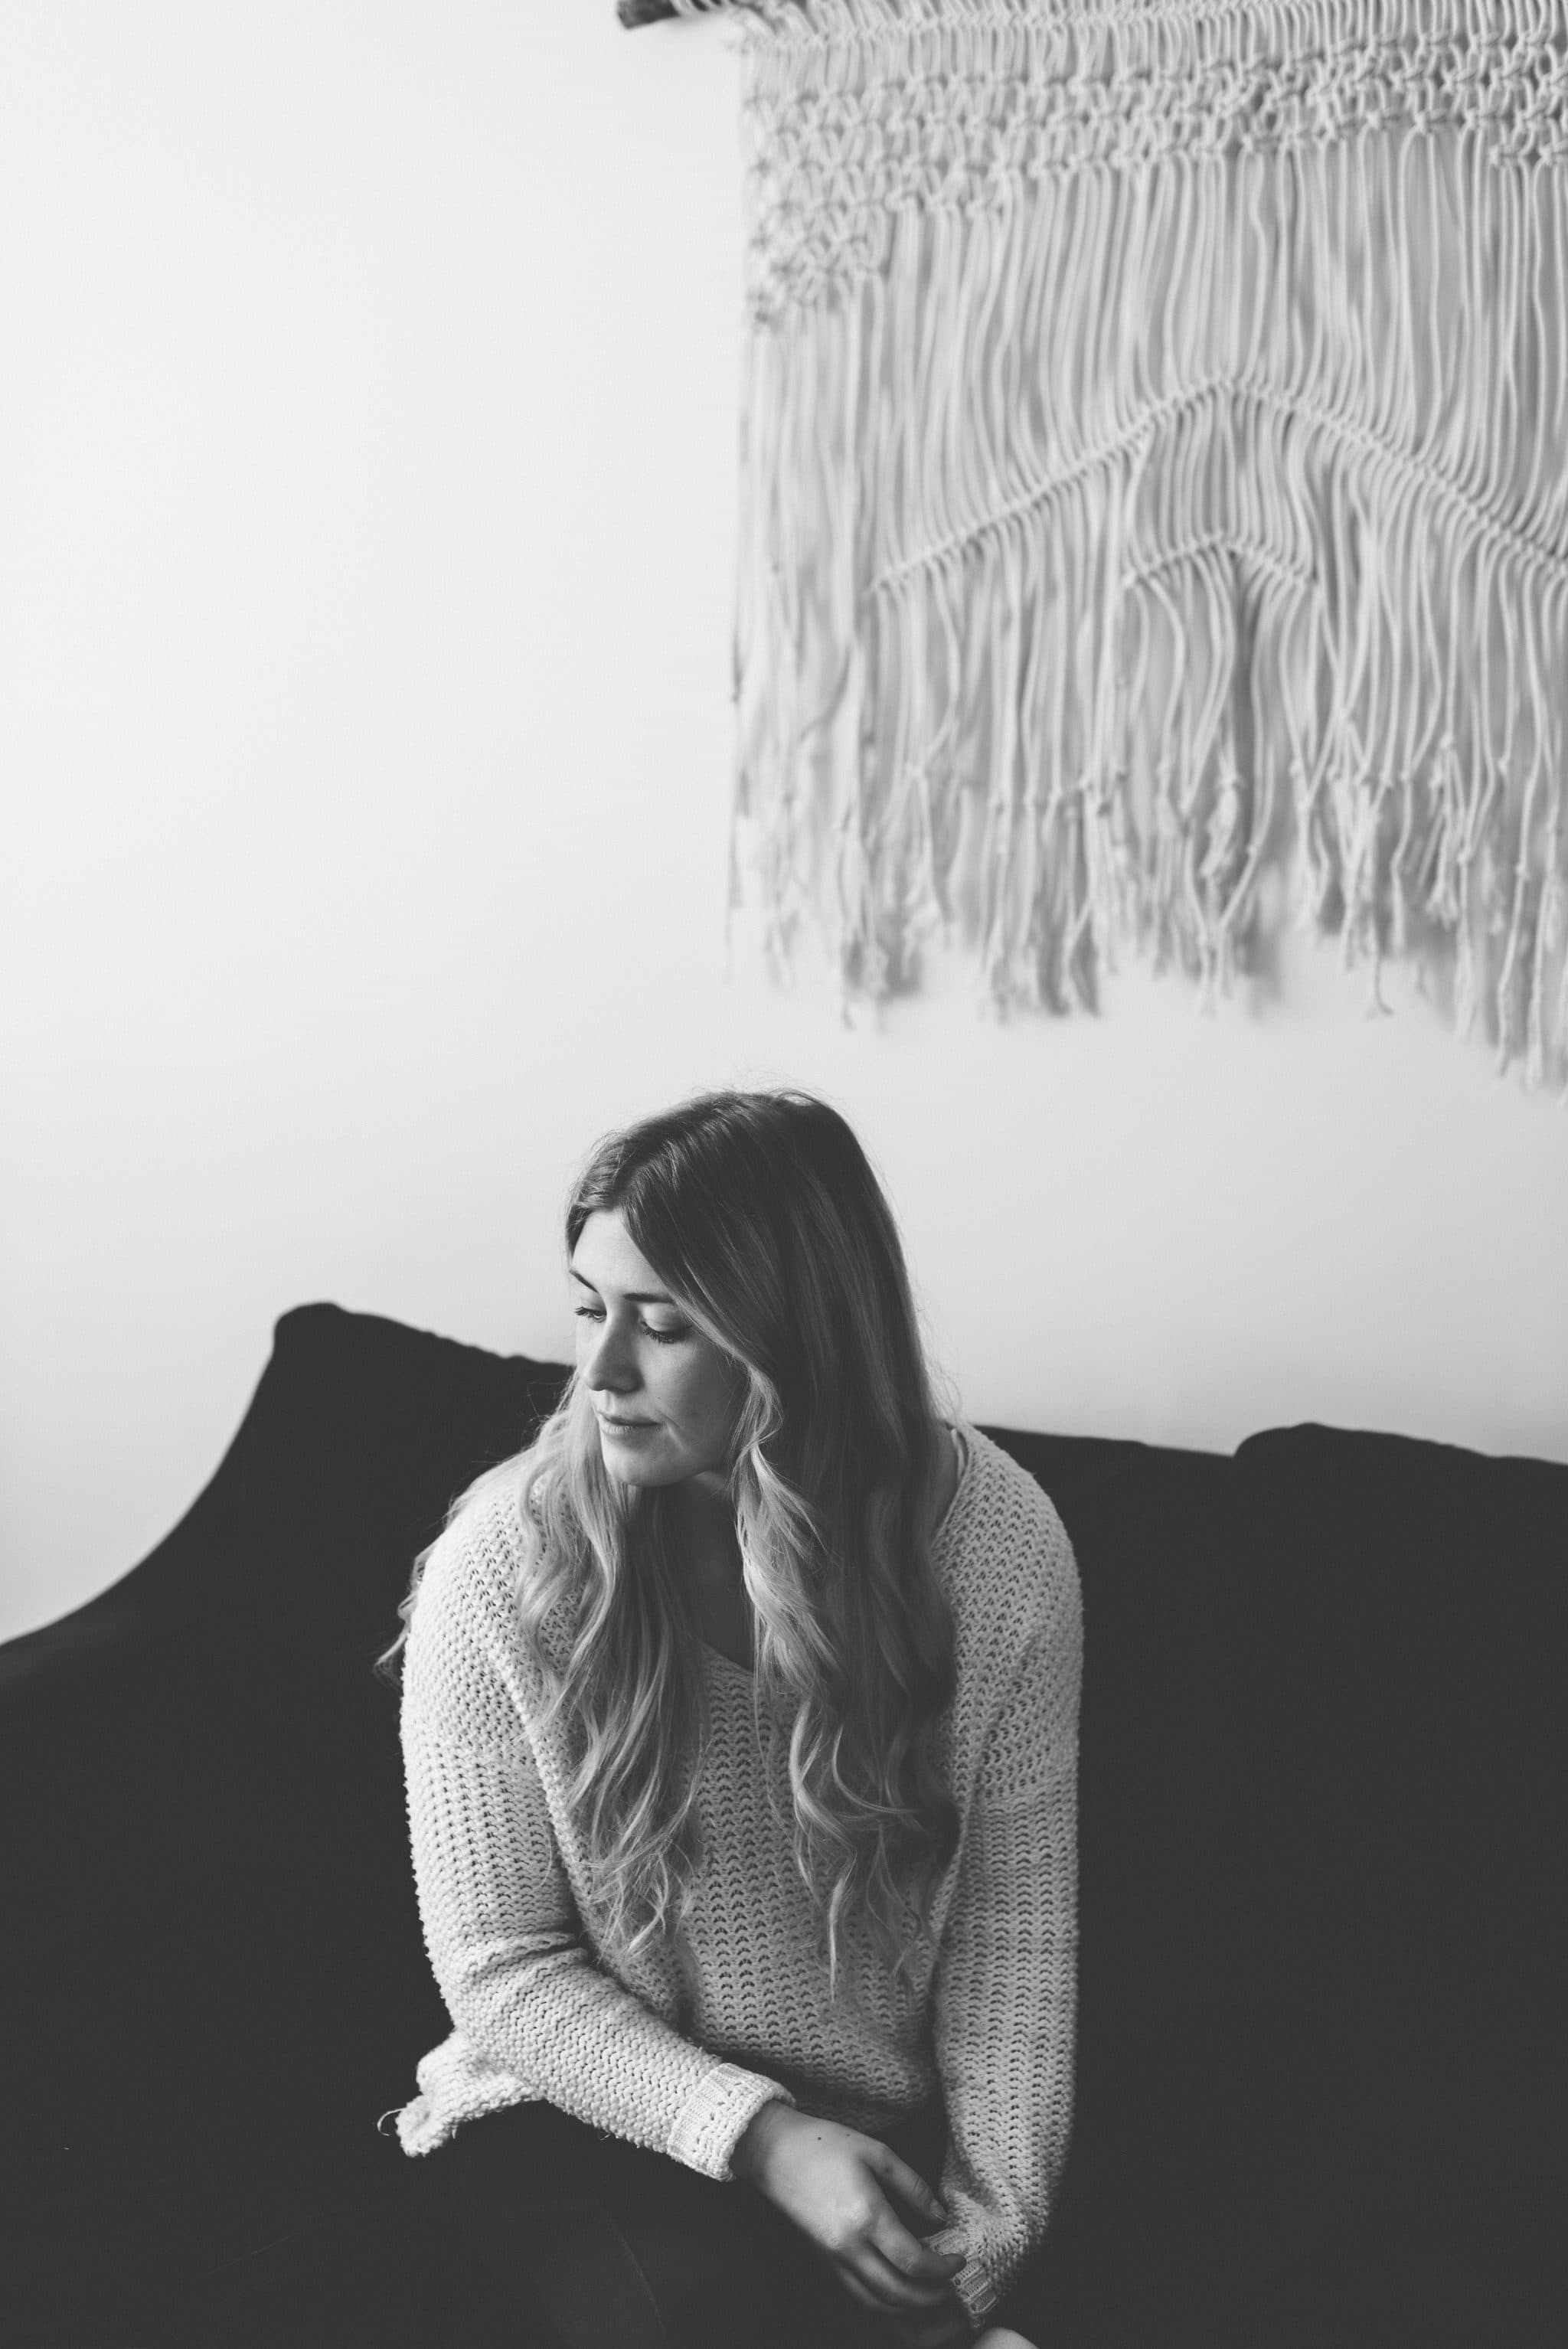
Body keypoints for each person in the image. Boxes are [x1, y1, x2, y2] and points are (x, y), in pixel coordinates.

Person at [386, 1090, 1082, 2348]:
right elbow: (501, 1971)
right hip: (577, 2108)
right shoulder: (506, 1564)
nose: (599, 1373)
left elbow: (1013, 1925)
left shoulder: (998, 1550)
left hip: (868, 2129)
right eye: (590, 1310)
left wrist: (985, 2245)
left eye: (661, 1326)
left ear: (792, 1335)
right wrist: (765, 2142)